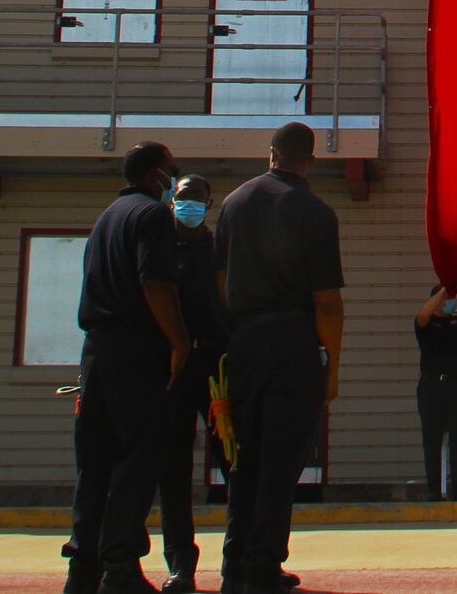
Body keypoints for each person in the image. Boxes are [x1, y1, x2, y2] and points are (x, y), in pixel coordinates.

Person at [213, 122, 344, 594]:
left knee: (244, 458)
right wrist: (332, 365)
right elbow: (327, 301)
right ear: (309, 160)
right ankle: (264, 565)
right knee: (281, 459)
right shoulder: (315, 212)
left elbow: (221, 282)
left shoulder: (234, 202)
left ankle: (234, 565)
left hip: (245, 339)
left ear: (271, 153)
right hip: (293, 340)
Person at [66, 142, 188, 594]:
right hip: (136, 352)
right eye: (173, 172)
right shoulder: (153, 216)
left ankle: (83, 568)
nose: (175, 180)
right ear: (156, 174)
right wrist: (179, 342)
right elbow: (154, 281)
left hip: (95, 350)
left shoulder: (106, 218)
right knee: (138, 457)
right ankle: (120, 568)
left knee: (94, 462)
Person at [158, 174, 227, 594]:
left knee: (235, 460)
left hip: (217, 364)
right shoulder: (160, 247)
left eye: (197, 198)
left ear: (209, 202)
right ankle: (181, 565)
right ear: (171, 200)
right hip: (174, 366)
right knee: (174, 470)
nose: (190, 204)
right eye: (183, 197)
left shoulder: (221, 248)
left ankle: (245, 561)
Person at [413, 284, 457, 500]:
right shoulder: (427, 325)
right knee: (432, 439)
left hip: (456, 387)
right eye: (448, 299)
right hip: (431, 387)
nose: (451, 302)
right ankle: (433, 490)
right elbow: (422, 315)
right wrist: (445, 289)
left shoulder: (456, 324)